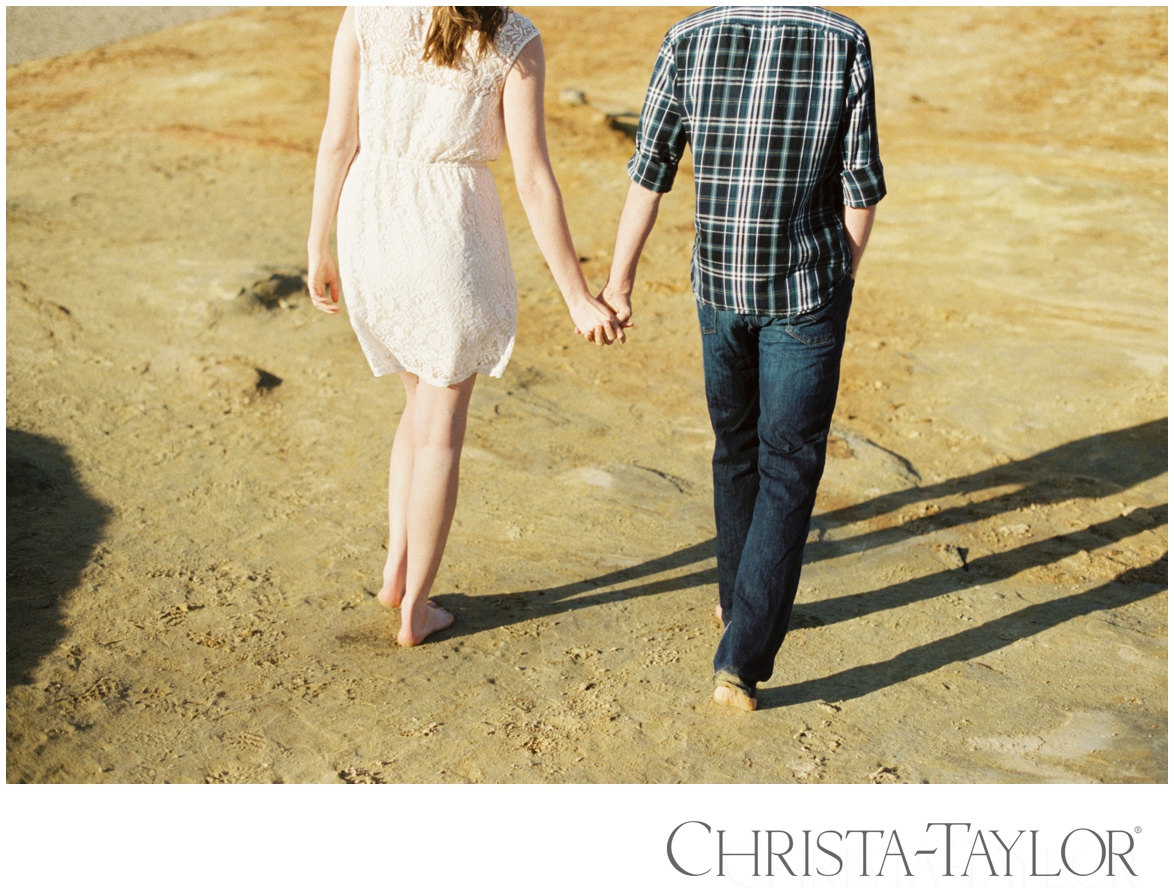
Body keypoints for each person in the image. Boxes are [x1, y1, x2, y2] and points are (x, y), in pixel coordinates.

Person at [307, 7, 625, 647]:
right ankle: (416, 611)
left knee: (416, 408)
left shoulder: (368, 13)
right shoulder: (515, 40)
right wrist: (575, 296)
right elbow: (533, 177)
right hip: (446, 230)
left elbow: (339, 138)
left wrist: (317, 245)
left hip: (372, 221)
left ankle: (397, 576)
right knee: (440, 434)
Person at [602, 7, 886, 709]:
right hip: (806, 288)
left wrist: (619, 281)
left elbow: (651, 170)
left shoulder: (688, 37)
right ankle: (741, 657)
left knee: (735, 448)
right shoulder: (844, 40)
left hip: (718, 288)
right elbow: (861, 186)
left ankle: (737, 606)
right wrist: (838, 279)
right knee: (787, 465)